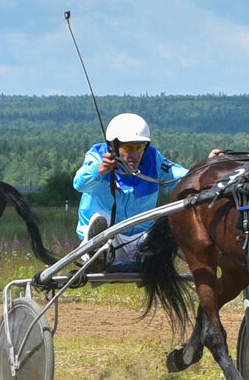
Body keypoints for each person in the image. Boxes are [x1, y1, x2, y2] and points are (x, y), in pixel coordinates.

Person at [73, 112, 193, 272]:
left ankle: (151, 259)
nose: (135, 154)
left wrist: (208, 168)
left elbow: (183, 177)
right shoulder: (97, 156)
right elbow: (78, 184)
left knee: (169, 222)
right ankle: (97, 256)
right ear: (113, 146)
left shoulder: (154, 158)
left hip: (141, 239)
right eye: (128, 147)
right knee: (100, 219)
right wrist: (99, 170)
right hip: (108, 238)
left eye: (140, 147)